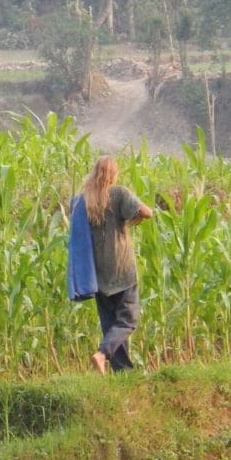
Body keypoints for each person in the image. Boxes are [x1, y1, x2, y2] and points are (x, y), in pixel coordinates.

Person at [78, 155, 153, 374]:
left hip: (98, 273)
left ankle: (123, 374)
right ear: (113, 174)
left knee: (112, 324)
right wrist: (135, 218)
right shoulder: (119, 193)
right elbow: (148, 212)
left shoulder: (85, 200)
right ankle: (102, 354)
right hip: (122, 270)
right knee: (129, 320)